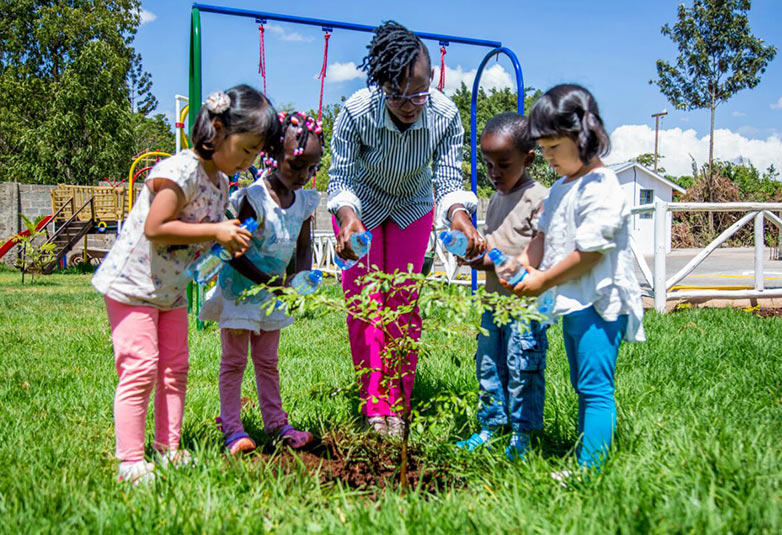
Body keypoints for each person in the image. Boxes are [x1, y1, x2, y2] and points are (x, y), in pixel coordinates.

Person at [92, 85, 279, 484]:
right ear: (218, 131)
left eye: (255, 153)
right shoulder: (180, 172)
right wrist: (215, 230)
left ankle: (169, 449)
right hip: (133, 285)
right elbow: (156, 227)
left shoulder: (221, 182)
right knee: (141, 368)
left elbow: (203, 230)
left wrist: (225, 238)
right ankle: (130, 461)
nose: (249, 161)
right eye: (246, 149)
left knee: (175, 369)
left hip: (171, 290)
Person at [327, 21, 483, 436]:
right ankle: (373, 403)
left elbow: (448, 179)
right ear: (380, 84)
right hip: (361, 208)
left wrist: (459, 215)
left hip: (413, 207)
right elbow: (340, 179)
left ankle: (396, 404)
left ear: (431, 80)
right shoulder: (356, 112)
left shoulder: (444, 115)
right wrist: (348, 219)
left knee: (402, 303)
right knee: (365, 304)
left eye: (419, 92)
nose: (409, 104)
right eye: (397, 94)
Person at [501, 84, 645, 475]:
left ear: (583, 136)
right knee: (582, 383)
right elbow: (543, 236)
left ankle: (590, 471)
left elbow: (590, 253)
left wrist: (543, 281)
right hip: (574, 302)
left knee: (595, 387)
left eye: (553, 147)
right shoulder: (561, 187)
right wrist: (523, 263)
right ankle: (587, 457)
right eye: (542, 148)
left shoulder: (602, 187)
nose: (547, 157)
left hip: (601, 301)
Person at [200, 111, 323, 454]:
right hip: (241, 293)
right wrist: (270, 282)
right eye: (296, 165)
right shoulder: (255, 202)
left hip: (272, 296)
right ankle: (232, 428)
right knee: (234, 362)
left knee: (268, 362)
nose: (303, 175)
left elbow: (303, 246)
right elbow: (234, 252)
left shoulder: (303, 202)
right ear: (272, 155)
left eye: (311, 168)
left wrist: (300, 280)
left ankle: (277, 423)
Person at [455, 113, 549, 460]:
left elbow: (539, 253)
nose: (494, 173)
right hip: (493, 305)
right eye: (488, 164)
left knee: (523, 368)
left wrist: (496, 259)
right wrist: (472, 255)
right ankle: (490, 426)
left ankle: (522, 435)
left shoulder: (539, 198)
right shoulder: (494, 199)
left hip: (525, 307)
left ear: (528, 159)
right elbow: (492, 248)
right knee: (489, 365)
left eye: (503, 165)